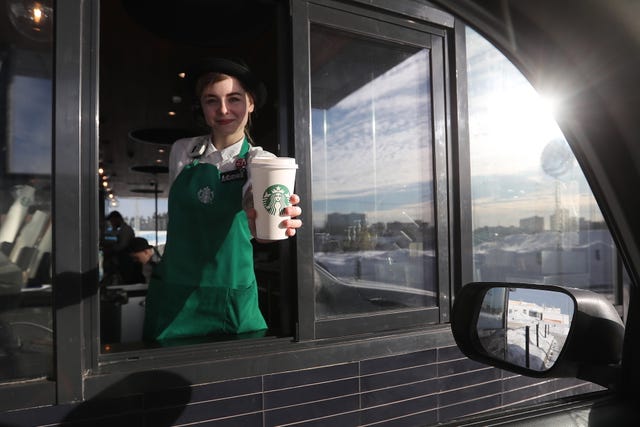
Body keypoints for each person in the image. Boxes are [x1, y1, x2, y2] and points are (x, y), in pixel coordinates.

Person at [143, 57, 302, 341]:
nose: (224, 110)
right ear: (202, 107)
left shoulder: (260, 161)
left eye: (234, 99)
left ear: (251, 103)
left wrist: (269, 220)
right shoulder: (182, 151)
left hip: (229, 299)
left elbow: (257, 201)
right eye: (211, 100)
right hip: (174, 294)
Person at [102, 210, 137, 285]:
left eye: (112, 221)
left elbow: (122, 245)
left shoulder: (126, 230)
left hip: (126, 260)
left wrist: (110, 250)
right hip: (123, 259)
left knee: (125, 279)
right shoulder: (121, 229)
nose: (112, 223)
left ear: (117, 219)